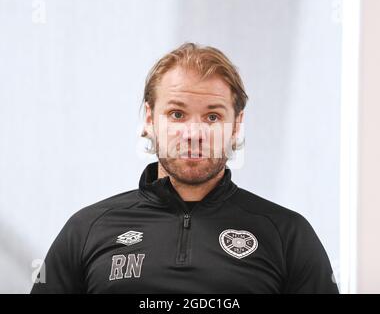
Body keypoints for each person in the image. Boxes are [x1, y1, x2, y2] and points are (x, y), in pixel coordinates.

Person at [31, 43, 339, 293]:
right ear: (150, 120)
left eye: (212, 117)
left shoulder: (287, 235)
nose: (194, 133)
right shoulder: (87, 230)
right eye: (177, 114)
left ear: (236, 125)